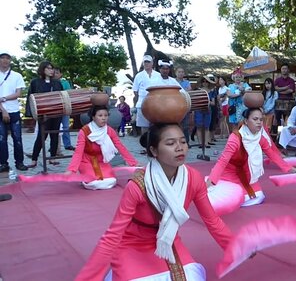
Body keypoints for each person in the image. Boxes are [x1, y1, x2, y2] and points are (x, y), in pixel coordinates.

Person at [75, 123, 233, 280]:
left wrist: (235, 247)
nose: (180, 147)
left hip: (168, 241)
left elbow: (212, 220)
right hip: (133, 245)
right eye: (171, 143)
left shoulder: (193, 178)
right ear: (154, 150)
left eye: (183, 141)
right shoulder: (138, 185)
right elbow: (112, 235)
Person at [207, 108, 296, 207]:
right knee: (224, 196)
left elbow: (272, 155)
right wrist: (212, 180)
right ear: (246, 121)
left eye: (261, 120)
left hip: (246, 175)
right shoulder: (235, 138)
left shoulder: (259, 137)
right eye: (255, 119)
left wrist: (290, 169)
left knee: (258, 196)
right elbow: (222, 161)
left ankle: (235, 199)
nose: (259, 122)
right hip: (229, 174)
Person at [66, 105, 138, 190]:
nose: (103, 118)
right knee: (94, 182)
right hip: (86, 161)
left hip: (101, 161)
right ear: (93, 117)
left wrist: (134, 163)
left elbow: (120, 147)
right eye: (100, 116)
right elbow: (78, 151)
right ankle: (85, 178)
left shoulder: (109, 130)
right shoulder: (84, 131)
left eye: (106, 115)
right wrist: (72, 169)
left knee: (111, 181)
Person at [27, 61, 64, 168]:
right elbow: (31, 98)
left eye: (52, 68)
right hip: (43, 114)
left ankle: (52, 158)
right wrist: (32, 114)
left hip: (56, 113)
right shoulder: (35, 82)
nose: (51, 70)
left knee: (54, 135)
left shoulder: (57, 83)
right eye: (48, 68)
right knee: (41, 136)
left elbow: (62, 97)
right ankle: (34, 160)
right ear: (43, 69)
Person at [0, 50, 28, 172]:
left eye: (8, 58)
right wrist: (3, 110)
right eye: (2, 58)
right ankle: (3, 163)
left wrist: (4, 98)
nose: (5, 60)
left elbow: (18, 93)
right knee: (1, 139)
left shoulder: (17, 75)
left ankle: (20, 162)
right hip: (0, 111)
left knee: (17, 138)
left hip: (14, 111)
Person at [132, 54, 161, 151]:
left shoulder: (158, 75)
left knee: (155, 126)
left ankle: (155, 145)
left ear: (152, 63)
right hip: (142, 104)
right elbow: (135, 91)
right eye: (145, 62)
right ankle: (146, 146)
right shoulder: (139, 76)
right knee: (144, 127)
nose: (147, 64)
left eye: (148, 62)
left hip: (156, 104)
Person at [53, 67, 75, 151]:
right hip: (55, 108)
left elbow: (69, 94)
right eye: (54, 72)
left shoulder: (65, 83)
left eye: (57, 72)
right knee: (54, 127)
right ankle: (54, 145)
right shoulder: (50, 82)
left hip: (65, 107)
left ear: (61, 74)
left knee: (65, 126)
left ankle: (67, 144)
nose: (55, 74)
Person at [193, 75, 216, 148]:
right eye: (203, 81)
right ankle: (200, 143)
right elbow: (195, 101)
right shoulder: (198, 90)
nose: (205, 83)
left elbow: (213, 103)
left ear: (209, 82)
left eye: (206, 81)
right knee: (199, 126)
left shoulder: (212, 91)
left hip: (208, 110)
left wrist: (207, 101)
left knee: (207, 127)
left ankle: (206, 143)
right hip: (199, 110)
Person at [274, 63, 296, 130]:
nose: (284, 70)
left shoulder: (291, 80)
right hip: (278, 101)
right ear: (281, 70)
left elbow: (291, 90)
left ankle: (287, 133)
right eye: (283, 69)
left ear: (288, 70)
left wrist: (280, 90)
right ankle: (278, 134)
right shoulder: (277, 80)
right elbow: (275, 88)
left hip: (289, 101)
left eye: (285, 68)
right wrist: (285, 87)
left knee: (288, 119)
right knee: (278, 119)